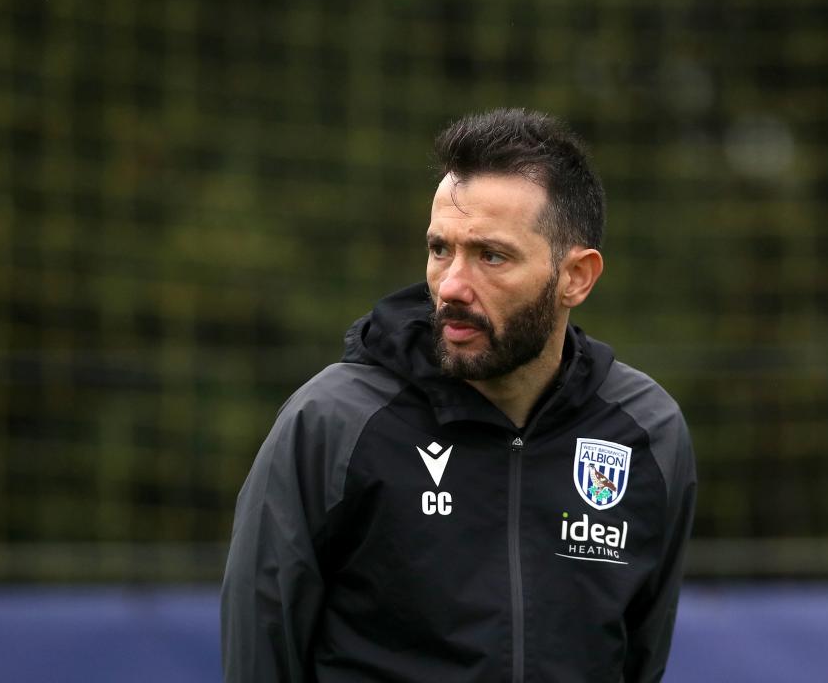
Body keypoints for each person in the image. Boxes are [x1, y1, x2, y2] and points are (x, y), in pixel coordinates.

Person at [221, 108, 697, 683]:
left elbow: (638, 658)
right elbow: (261, 655)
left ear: (576, 277)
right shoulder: (332, 421)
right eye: (441, 249)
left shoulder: (647, 431)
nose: (451, 286)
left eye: (491, 256)